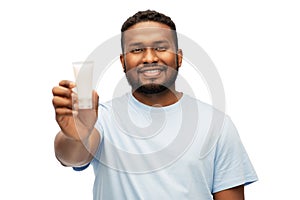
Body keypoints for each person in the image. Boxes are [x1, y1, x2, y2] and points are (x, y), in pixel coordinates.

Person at [52, 10, 258, 200]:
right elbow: (72, 157)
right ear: (123, 62)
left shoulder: (217, 124)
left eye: (161, 47)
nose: (149, 58)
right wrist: (76, 134)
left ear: (179, 57)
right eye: (137, 49)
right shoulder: (103, 117)